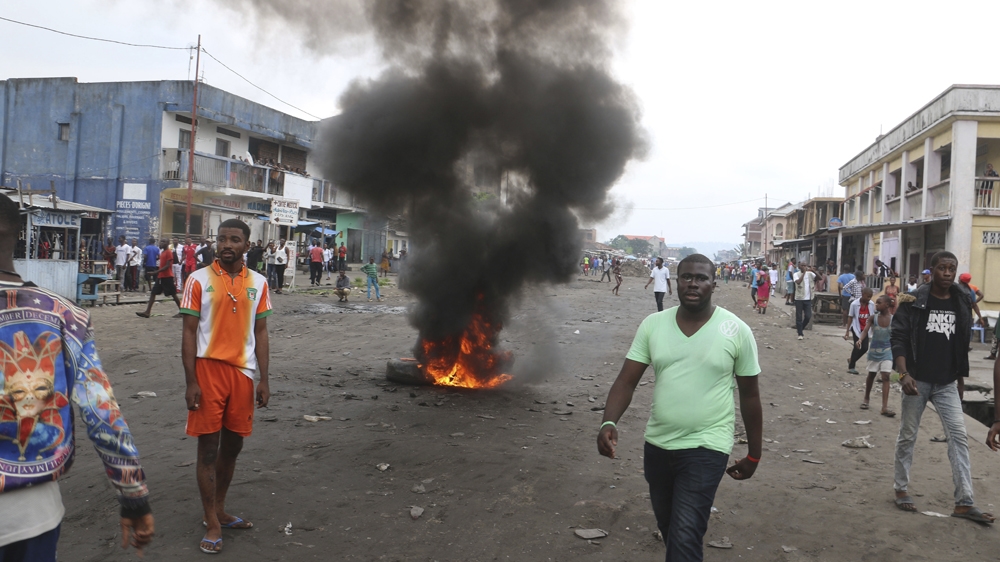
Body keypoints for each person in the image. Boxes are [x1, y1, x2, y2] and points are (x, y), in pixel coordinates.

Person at [0, 193, 154, 559]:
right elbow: (102, 413)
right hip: (31, 515)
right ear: (18, 234)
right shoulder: (65, 317)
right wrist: (133, 497)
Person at [597, 254, 762, 561]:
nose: (693, 283)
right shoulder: (654, 325)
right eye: (686, 277)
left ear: (713, 284)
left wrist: (754, 454)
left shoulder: (736, 330)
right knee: (671, 529)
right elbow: (626, 381)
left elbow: (750, 396)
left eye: (701, 278)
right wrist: (608, 422)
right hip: (658, 446)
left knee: (685, 534)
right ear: (676, 282)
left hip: (707, 446)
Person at [180, 219, 272, 554]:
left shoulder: (259, 283)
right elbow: (189, 332)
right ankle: (212, 522)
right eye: (222, 239)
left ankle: (219, 508)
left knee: (233, 446)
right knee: (207, 449)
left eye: (234, 239)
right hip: (207, 371)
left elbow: (260, 332)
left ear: (247, 245)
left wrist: (264, 378)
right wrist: (191, 380)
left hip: (243, 375)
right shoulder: (198, 279)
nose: (227, 244)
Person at [891, 251, 993, 523]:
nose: (947, 273)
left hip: (947, 382)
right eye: (942, 268)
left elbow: (960, 344)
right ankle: (901, 488)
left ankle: (964, 503)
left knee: (958, 437)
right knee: (908, 435)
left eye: (951, 268)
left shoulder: (962, 300)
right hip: (917, 380)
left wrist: (960, 379)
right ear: (932, 270)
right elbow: (898, 336)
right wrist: (903, 374)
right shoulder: (914, 299)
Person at [857, 294, 895, 417]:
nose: (876, 305)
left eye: (879, 303)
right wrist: (860, 339)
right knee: (871, 375)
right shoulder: (873, 318)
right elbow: (865, 330)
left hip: (887, 351)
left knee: (886, 376)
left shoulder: (894, 319)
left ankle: (884, 407)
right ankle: (866, 398)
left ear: (887, 305)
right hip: (874, 351)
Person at [136, 239, 182, 318]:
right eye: (161, 242)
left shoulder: (168, 252)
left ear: (167, 243)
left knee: (173, 294)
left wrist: (155, 272)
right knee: (153, 293)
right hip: (161, 276)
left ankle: (182, 311)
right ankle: (147, 312)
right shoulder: (162, 252)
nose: (161, 243)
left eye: (163, 242)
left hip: (167, 276)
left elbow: (167, 266)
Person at [844, 287, 875, 374]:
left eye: (870, 297)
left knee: (865, 348)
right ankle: (851, 367)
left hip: (866, 329)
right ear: (863, 294)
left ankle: (851, 359)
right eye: (868, 296)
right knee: (857, 346)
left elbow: (872, 317)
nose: (869, 298)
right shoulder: (854, 304)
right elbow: (850, 317)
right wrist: (847, 331)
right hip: (856, 328)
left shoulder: (871, 304)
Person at [793, 263, 816, 340]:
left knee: (808, 316)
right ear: (799, 267)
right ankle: (800, 334)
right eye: (802, 265)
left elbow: (819, 278)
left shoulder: (810, 274)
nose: (804, 267)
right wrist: (804, 273)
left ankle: (801, 328)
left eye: (805, 265)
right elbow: (798, 282)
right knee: (799, 317)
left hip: (808, 299)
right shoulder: (796, 274)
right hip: (799, 298)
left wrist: (813, 271)